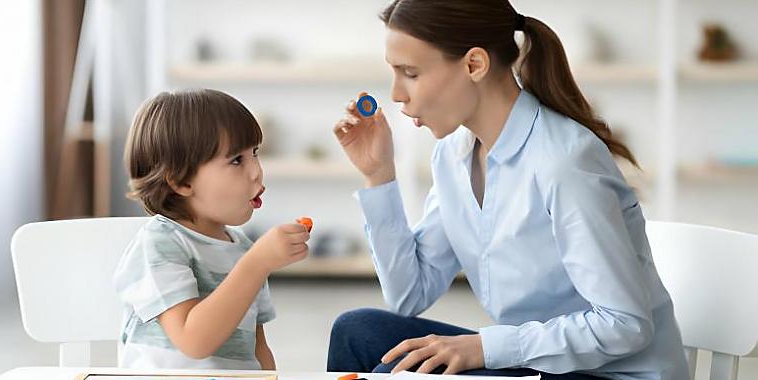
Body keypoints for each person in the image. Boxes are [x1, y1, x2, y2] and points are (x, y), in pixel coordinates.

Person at [327, 1, 689, 379]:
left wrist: (486, 347)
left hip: (611, 375)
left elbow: (625, 324)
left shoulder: (564, 163)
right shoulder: (453, 155)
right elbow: (409, 294)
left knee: (398, 373)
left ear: (474, 65)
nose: (397, 93)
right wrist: (378, 175)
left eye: (410, 73)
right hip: (538, 365)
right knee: (356, 332)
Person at [113, 89, 310, 369]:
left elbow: (258, 350)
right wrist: (258, 263)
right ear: (181, 182)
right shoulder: (159, 244)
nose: (256, 171)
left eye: (254, 153)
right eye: (236, 160)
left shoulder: (243, 249)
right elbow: (194, 341)